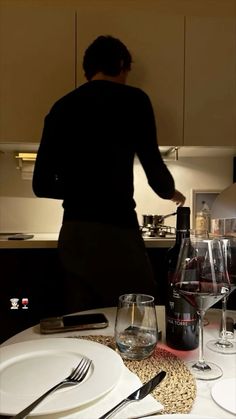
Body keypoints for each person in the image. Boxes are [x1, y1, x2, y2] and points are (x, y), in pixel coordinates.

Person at [33, 35, 185, 314]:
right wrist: (171, 192)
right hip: (118, 234)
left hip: (76, 234)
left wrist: (81, 188)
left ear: (88, 69)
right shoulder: (134, 100)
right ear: (121, 64)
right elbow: (154, 169)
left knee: (82, 318)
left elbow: (41, 185)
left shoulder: (61, 107)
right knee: (138, 314)